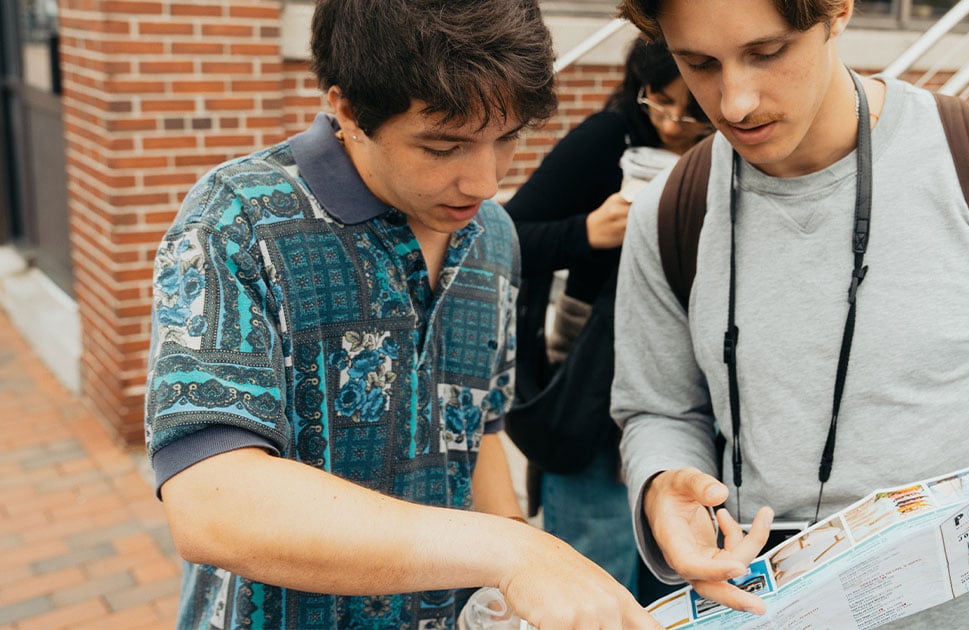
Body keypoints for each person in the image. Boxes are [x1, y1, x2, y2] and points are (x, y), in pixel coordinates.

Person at [610, 0, 969, 626]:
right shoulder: (665, 213)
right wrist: (662, 486)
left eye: (768, 53)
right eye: (699, 63)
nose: (734, 102)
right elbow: (657, 407)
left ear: (838, 10)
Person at [143, 1, 660, 628]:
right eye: (444, 146)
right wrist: (511, 551)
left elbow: (478, 432)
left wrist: (514, 582)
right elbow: (211, 501)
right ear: (349, 111)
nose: (486, 182)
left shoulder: (494, 234)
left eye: (507, 139)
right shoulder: (237, 220)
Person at [504, 36, 710, 600]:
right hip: (597, 380)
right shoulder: (610, 137)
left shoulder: (740, 151)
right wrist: (587, 233)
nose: (671, 122)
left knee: (677, 575)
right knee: (596, 570)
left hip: (699, 390)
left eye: (693, 110)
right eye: (658, 100)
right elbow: (501, 237)